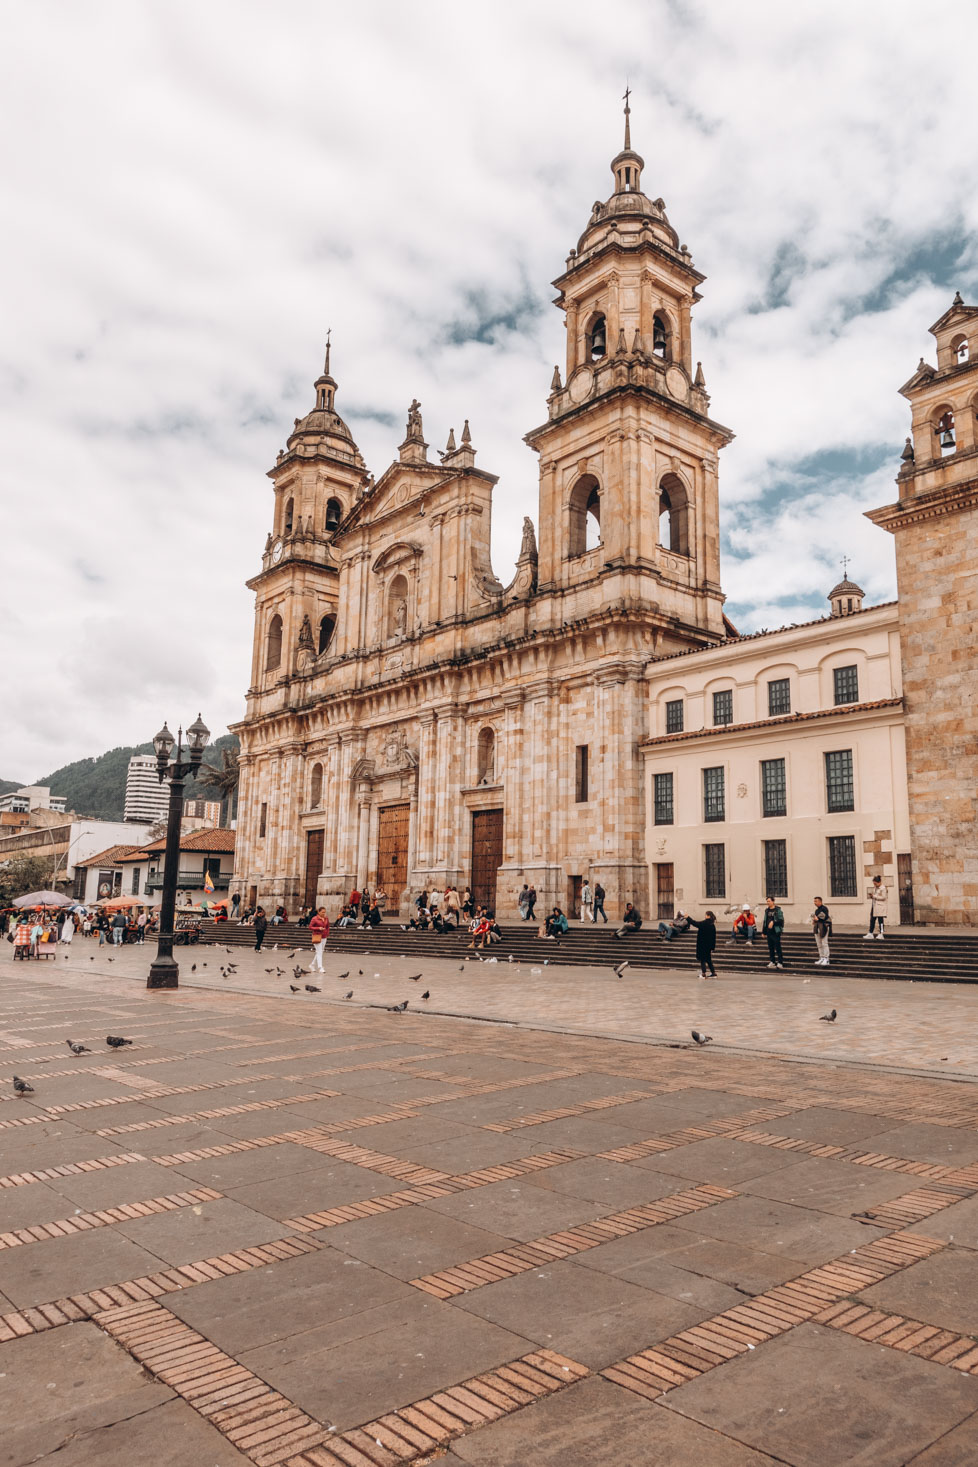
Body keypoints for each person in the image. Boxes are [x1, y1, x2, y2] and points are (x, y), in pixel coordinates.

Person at [687, 910, 719, 978]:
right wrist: (712, 947)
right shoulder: (712, 925)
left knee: (702, 959)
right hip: (709, 946)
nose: (705, 916)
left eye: (706, 915)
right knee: (708, 959)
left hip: (702, 944)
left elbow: (695, 923)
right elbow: (714, 937)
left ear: (708, 916)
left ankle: (703, 973)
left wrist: (688, 918)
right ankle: (713, 973)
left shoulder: (704, 923)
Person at [762, 896, 785, 970]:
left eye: (769, 901)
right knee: (770, 947)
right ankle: (772, 961)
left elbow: (781, 921)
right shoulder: (767, 910)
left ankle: (780, 962)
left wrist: (773, 922)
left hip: (776, 931)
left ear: (773, 901)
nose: (768, 903)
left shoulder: (778, 910)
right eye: (767, 901)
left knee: (778, 947)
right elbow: (765, 921)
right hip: (769, 932)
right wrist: (763, 932)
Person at [866, 876, 888, 940]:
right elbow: (876, 896)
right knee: (872, 920)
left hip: (880, 907)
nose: (874, 885)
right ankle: (870, 933)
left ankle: (881, 934)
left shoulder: (883, 888)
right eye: (874, 883)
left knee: (880, 921)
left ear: (879, 882)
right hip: (874, 906)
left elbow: (884, 897)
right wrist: (872, 896)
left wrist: (874, 896)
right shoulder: (875, 888)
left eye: (875, 883)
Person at [811, 897, 831, 966]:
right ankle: (822, 957)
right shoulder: (816, 910)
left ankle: (826, 958)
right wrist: (814, 920)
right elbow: (817, 919)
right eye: (814, 901)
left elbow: (825, 917)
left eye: (816, 901)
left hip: (823, 928)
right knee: (819, 944)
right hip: (817, 928)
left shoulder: (824, 908)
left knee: (824, 943)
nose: (814, 903)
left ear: (820, 901)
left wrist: (817, 918)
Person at [308, 907, 329, 972]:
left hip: (324, 936)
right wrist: (318, 928)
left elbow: (327, 926)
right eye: (322, 912)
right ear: (319, 912)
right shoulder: (314, 919)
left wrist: (327, 933)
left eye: (324, 912)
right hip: (317, 936)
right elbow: (310, 927)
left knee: (320, 952)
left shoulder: (326, 918)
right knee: (319, 952)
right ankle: (320, 967)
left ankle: (312, 964)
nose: (324, 913)